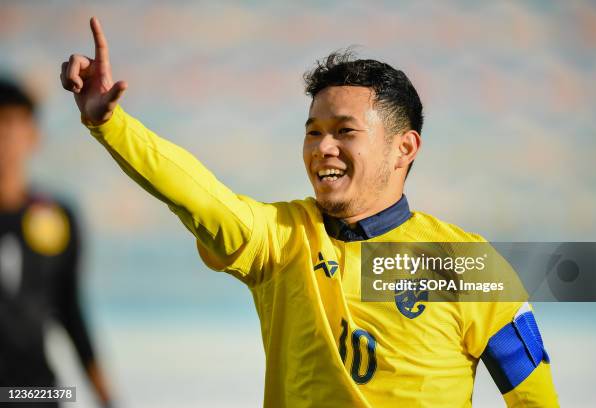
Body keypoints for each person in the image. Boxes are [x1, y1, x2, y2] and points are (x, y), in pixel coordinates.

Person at [60, 17, 559, 407]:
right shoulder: (280, 240)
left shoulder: (465, 264)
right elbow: (197, 196)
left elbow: (534, 398)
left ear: (403, 147)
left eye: (344, 131)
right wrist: (112, 125)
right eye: (313, 131)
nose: (323, 148)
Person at [0, 79, 113, 407]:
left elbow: (70, 308)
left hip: (38, 393)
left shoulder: (57, 217)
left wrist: (107, 397)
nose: (4, 138)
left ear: (33, 136)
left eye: (11, 124)